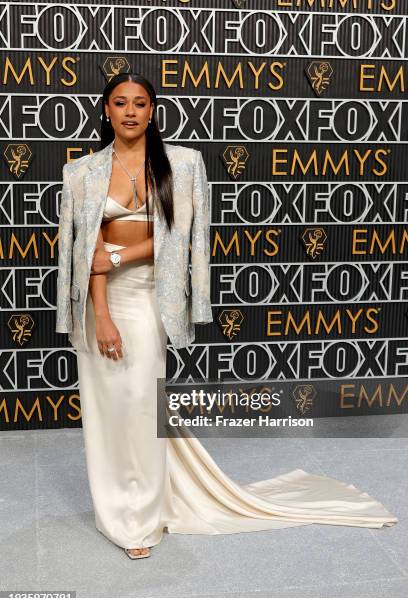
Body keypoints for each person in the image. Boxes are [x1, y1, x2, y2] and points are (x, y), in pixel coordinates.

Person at [55, 73, 398, 561]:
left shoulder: (183, 165)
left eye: (140, 103)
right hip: (101, 305)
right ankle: (115, 513)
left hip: (150, 300)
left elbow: (180, 235)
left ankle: (143, 518)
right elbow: (84, 253)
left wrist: (120, 257)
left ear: (152, 111)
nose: (130, 112)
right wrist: (102, 315)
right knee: (106, 415)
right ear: (105, 110)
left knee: (142, 410)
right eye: (119, 103)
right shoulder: (81, 173)